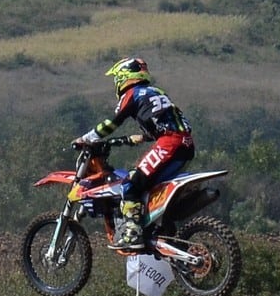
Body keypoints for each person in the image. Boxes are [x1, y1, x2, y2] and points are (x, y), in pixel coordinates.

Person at [72, 57, 194, 250]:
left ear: (124, 76)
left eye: (116, 78)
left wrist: (86, 139)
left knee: (130, 184)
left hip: (169, 144)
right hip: (185, 145)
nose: (116, 83)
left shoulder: (132, 94)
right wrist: (134, 138)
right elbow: (164, 122)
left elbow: (111, 123)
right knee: (150, 185)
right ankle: (159, 228)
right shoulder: (157, 92)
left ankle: (132, 234)